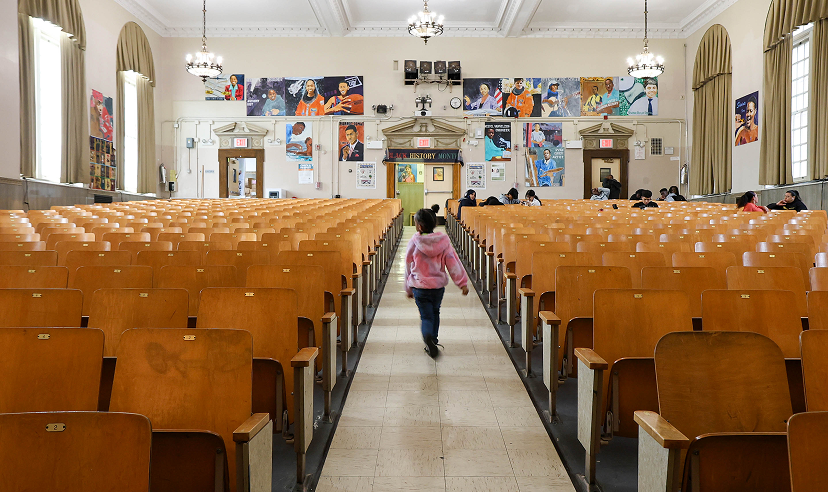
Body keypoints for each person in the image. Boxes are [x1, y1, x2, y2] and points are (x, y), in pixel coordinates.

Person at [405, 208, 469, 358]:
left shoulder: (414, 242)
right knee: (435, 312)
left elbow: (408, 266)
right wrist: (462, 283)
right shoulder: (444, 242)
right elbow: (453, 263)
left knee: (426, 317)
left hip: (419, 287)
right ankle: (433, 339)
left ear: (419, 226)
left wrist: (408, 288)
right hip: (437, 287)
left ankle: (428, 337)